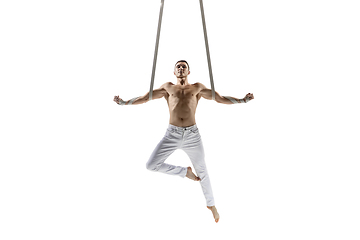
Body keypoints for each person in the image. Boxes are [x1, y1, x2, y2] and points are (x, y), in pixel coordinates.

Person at [113, 60, 254, 223]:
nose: (181, 68)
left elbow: (220, 98)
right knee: (151, 165)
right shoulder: (167, 87)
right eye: (178, 67)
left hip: (192, 135)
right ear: (174, 72)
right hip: (171, 134)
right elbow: (145, 98)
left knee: (202, 171)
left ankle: (212, 205)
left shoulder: (197, 88)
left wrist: (242, 100)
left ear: (188, 72)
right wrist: (125, 102)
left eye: (184, 67)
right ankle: (184, 172)